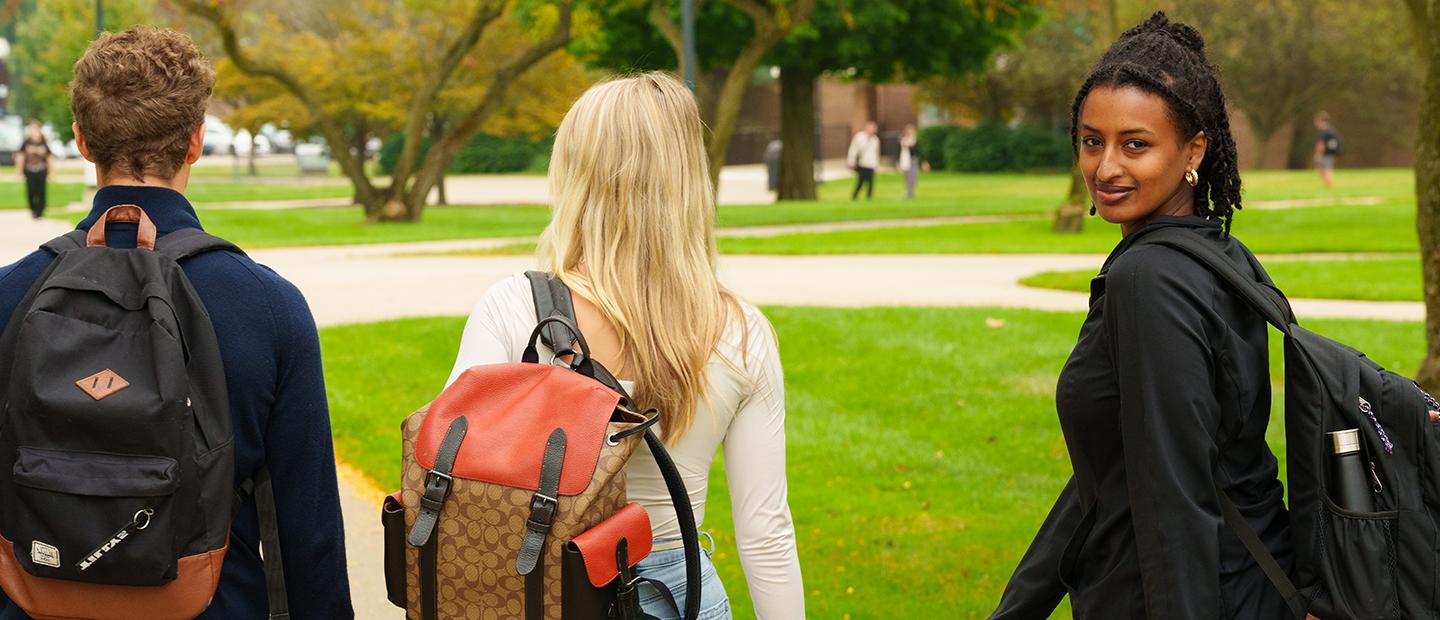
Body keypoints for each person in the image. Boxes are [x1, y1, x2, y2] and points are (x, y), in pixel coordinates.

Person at [0, 27, 352, 618]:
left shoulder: (10, 295)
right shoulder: (269, 307)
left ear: (83, 142)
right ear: (196, 141)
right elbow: (306, 529)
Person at [448, 72, 804, 620]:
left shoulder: (515, 309)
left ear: (575, 175)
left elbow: (450, 483)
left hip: (548, 587)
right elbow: (766, 531)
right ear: (688, 180)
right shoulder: (741, 332)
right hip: (681, 591)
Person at [990, 12, 1299, 619]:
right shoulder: (1215, 252)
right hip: (1250, 582)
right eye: (1090, 140)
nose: (1105, 168)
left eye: (1135, 144)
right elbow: (1111, 474)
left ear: (1194, 149)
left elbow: (1175, 500)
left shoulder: (1148, 279)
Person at [14, 120, 53, 220]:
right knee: (31, 192)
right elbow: (20, 157)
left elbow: (49, 158)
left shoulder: (44, 142)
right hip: (29, 170)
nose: (34, 131)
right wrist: (19, 172)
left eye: (35, 128)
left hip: (41, 170)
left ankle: (40, 212)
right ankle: (33, 210)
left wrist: (52, 173)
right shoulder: (26, 142)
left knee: (41, 191)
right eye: (32, 128)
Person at [847, 121, 880, 200]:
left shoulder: (875, 140)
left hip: (871, 164)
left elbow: (876, 153)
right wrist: (851, 161)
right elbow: (853, 150)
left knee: (871, 183)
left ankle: (869, 198)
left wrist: (876, 166)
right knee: (860, 182)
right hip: (862, 164)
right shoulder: (859, 137)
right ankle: (854, 196)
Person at [898, 123, 927, 199]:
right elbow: (899, 152)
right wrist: (898, 164)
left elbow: (919, 152)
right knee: (907, 178)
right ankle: (908, 192)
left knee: (913, 177)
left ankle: (911, 192)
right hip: (905, 160)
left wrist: (924, 162)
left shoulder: (916, 141)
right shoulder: (902, 141)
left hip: (913, 160)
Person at [1314, 111, 1339, 188]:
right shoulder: (1331, 129)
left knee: (1326, 170)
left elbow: (1321, 144)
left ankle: (1329, 185)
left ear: (1320, 120)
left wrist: (1317, 154)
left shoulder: (1324, 131)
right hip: (1329, 153)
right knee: (1325, 169)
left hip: (1324, 154)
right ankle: (1327, 186)